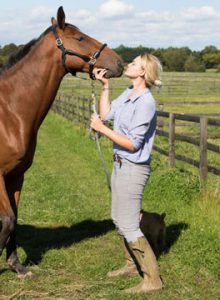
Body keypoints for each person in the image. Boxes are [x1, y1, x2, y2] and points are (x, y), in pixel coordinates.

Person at [90, 53, 163, 293]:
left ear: (143, 72)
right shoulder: (130, 91)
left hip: (134, 167)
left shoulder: (145, 102)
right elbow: (107, 114)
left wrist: (102, 129)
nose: (127, 65)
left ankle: (153, 280)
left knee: (130, 224)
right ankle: (132, 264)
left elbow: (133, 144)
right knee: (118, 218)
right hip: (119, 163)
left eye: (133, 63)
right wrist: (105, 87)